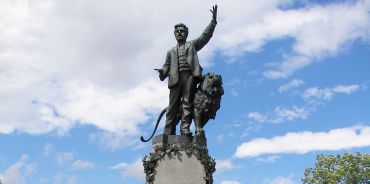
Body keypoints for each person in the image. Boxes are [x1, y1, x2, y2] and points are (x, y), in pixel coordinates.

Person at [157, 5, 218, 135]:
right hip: (175, 78)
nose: (179, 33)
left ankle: (184, 129)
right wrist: (163, 72)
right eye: (177, 31)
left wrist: (213, 22)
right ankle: (168, 130)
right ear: (174, 34)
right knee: (172, 105)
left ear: (186, 34)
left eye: (182, 31)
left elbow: (204, 37)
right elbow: (166, 66)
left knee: (187, 103)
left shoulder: (192, 46)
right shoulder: (170, 52)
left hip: (189, 77)